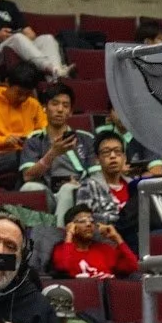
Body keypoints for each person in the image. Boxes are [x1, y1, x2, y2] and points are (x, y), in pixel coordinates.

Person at [19, 84, 97, 222]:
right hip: (48, 192)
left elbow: (97, 175)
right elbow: (27, 176)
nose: (60, 110)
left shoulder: (86, 139)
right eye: (55, 104)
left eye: (65, 106)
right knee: (29, 187)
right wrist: (53, 153)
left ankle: (58, 237)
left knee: (67, 189)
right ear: (45, 107)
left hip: (78, 192)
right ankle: (32, 237)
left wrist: (82, 183)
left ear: (71, 112)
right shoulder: (35, 140)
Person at [76, 130, 139, 241]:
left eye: (117, 151)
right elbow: (82, 220)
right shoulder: (88, 186)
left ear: (124, 157)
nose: (113, 156)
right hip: (106, 242)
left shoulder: (135, 186)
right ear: (97, 159)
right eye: (106, 152)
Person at [50, 204, 138, 278]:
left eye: (91, 221)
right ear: (71, 226)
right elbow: (64, 268)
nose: (89, 224)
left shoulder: (104, 249)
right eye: (82, 221)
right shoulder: (62, 249)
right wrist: (69, 234)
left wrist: (117, 238)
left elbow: (133, 266)